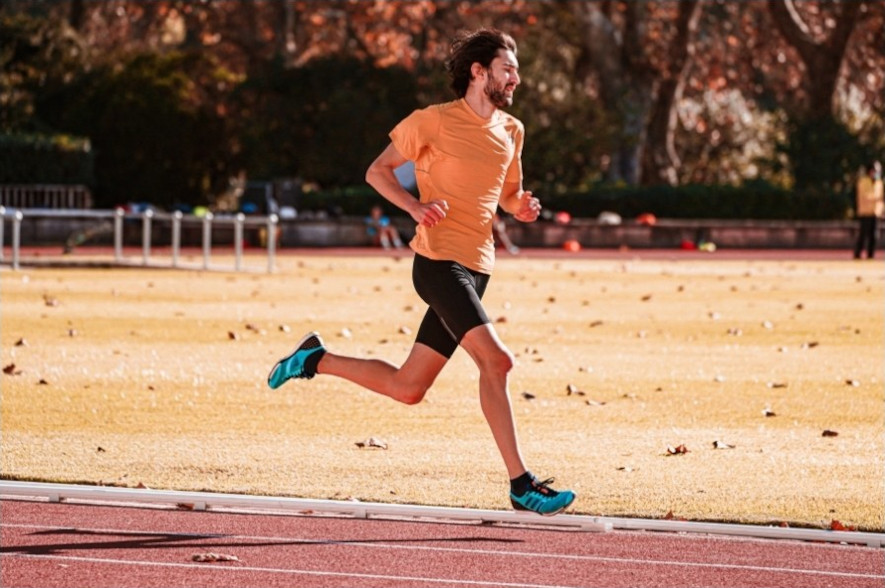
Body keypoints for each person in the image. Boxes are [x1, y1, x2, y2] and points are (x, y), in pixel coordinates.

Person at [267, 28, 575, 516]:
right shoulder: (431, 122)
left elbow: (509, 194)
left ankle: (314, 359)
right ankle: (521, 484)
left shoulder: (512, 130)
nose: (516, 77)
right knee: (498, 362)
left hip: (478, 268)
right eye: (507, 68)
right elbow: (377, 171)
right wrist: (414, 207)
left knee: (408, 388)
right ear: (479, 72)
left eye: (516, 70)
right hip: (437, 263)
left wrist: (523, 208)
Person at [854, 160, 884, 259]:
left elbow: (881, 199)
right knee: (863, 235)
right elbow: (865, 196)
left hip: (875, 213)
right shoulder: (863, 182)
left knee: (874, 236)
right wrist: (877, 198)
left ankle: (870, 256)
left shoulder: (879, 183)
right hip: (865, 213)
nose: (876, 173)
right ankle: (857, 255)